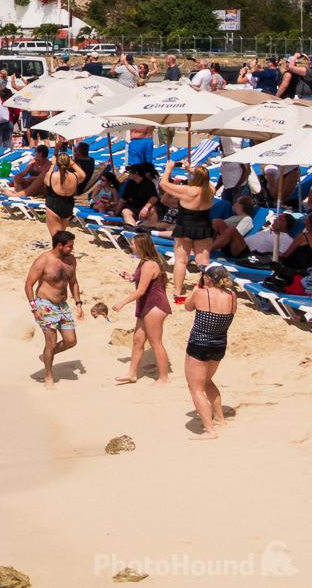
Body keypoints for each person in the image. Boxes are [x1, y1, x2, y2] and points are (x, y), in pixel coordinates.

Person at [183, 265, 237, 438]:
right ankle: (220, 419)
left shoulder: (201, 293)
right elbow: (231, 313)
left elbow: (187, 306)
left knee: (196, 388)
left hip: (199, 345)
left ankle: (209, 430)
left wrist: (195, 290)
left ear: (208, 278)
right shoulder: (232, 296)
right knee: (207, 382)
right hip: (219, 344)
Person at [111, 235, 173, 385]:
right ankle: (132, 374)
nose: (131, 247)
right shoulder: (144, 262)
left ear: (141, 246)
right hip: (146, 305)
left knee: (155, 342)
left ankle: (164, 378)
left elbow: (141, 291)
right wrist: (132, 277)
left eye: (133, 244)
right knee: (138, 340)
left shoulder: (149, 264)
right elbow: (145, 281)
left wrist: (122, 303)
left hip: (155, 306)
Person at [25, 231, 83, 387]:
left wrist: (78, 303)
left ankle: (46, 356)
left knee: (71, 341)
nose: (72, 248)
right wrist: (34, 307)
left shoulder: (71, 260)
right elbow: (28, 285)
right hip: (45, 304)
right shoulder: (43, 260)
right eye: (70, 246)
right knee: (51, 342)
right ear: (59, 245)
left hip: (62, 305)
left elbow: (74, 282)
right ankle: (48, 376)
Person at [160, 169, 217, 302]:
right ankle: (206, 291)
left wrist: (169, 168)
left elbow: (163, 184)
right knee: (203, 262)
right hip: (203, 228)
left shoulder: (187, 190)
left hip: (185, 227)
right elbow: (210, 185)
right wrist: (192, 170)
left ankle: (178, 294)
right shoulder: (210, 191)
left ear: (194, 177)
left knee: (181, 261)